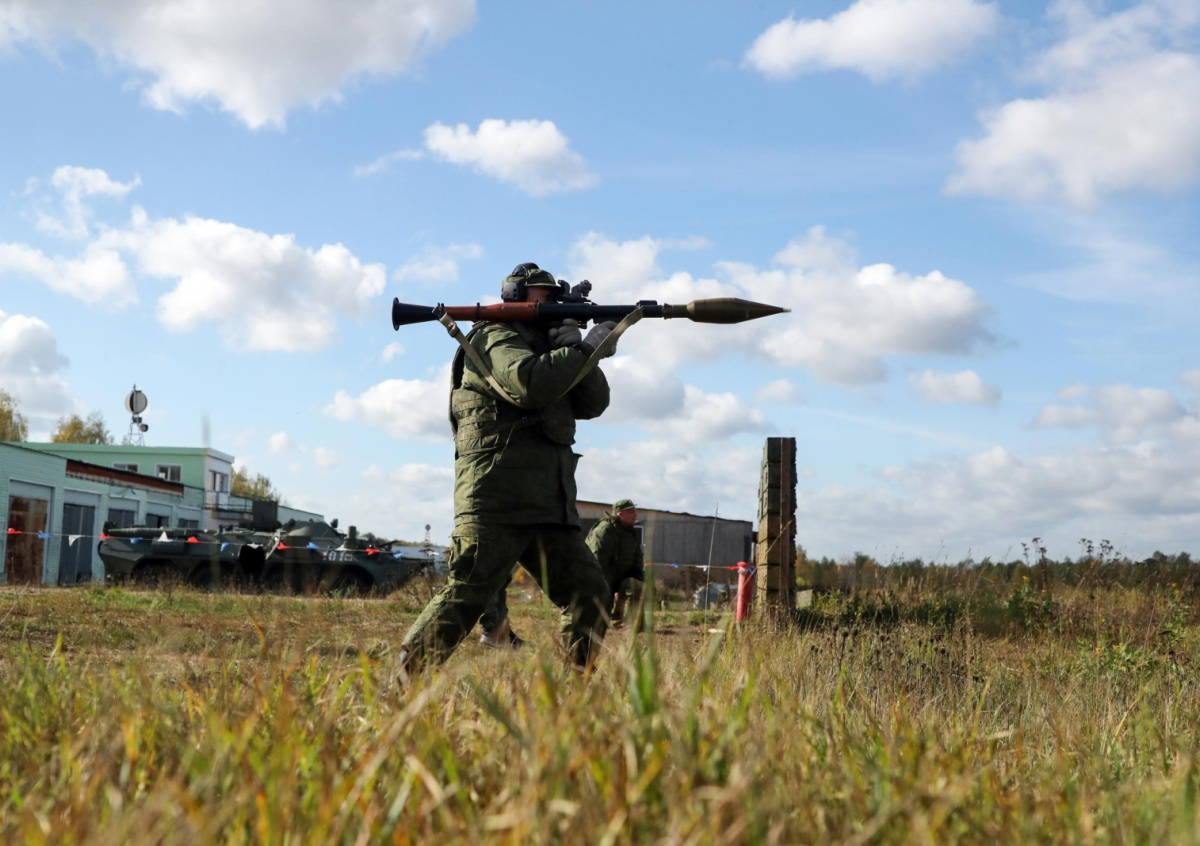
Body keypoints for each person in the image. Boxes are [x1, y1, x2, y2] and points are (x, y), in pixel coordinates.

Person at [398, 262, 618, 675]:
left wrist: (580, 352)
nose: (553, 303)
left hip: (548, 505)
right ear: (516, 297)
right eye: (544, 295)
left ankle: (576, 693)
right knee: (468, 595)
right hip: (496, 499)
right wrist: (583, 351)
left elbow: (593, 404)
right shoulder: (493, 337)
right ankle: (404, 682)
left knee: (590, 595)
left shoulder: (550, 349)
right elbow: (529, 384)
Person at [586, 499, 645, 628]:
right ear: (620, 513)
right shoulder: (604, 531)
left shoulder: (630, 532)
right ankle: (598, 619)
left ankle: (633, 623)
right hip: (600, 578)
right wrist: (607, 587)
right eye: (631, 512)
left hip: (620, 578)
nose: (635, 515)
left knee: (639, 586)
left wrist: (638, 577)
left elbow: (638, 557)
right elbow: (598, 561)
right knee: (599, 618)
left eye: (635, 511)